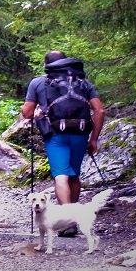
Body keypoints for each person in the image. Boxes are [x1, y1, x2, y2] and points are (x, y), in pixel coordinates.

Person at [20, 50, 105, 236]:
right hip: (80, 133)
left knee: (60, 175)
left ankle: (67, 222)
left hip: (55, 134)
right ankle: (73, 219)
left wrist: (33, 110)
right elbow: (99, 111)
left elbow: (26, 113)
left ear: (47, 66)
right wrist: (94, 139)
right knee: (73, 175)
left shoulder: (38, 82)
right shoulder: (83, 82)